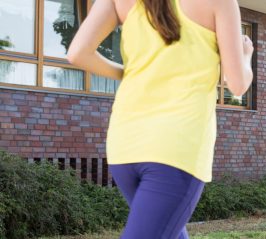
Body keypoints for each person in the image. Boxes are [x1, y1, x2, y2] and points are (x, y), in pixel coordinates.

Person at [67, 0, 253, 237]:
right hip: (175, 150)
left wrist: (132, 73)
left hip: (124, 146)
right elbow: (237, 84)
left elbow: (77, 53)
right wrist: (246, 55)